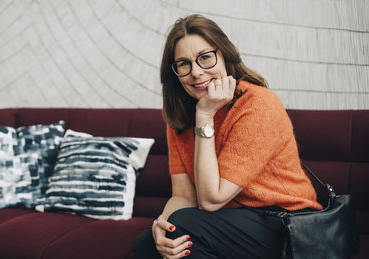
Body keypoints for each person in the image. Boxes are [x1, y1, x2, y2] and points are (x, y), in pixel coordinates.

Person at [134, 14, 322, 259]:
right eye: (184, 64)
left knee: (183, 228)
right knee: (149, 243)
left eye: (205, 58)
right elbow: (183, 195)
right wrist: (161, 225)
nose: (197, 72)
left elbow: (212, 199)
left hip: (287, 222)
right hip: (232, 221)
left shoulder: (257, 105)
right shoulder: (180, 116)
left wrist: (204, 116)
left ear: (224, 54)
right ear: (175, 72)